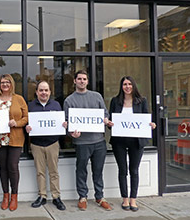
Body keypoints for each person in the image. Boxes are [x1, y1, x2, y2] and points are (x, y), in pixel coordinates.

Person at [63, 70, 113, 211]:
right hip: (81, 143)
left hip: (98, 142)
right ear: (74, 81)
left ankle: (99, 197)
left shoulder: (96, 96)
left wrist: (105, 120)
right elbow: (67, 122)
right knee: (81, 170)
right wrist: (71, 132)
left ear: (87, 81)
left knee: (98, 170)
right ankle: (83, 197)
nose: (82, 81)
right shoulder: (69, 100)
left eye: (84, 79)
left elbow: (105, 114)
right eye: (79, 79)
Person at [109, 76, 156, 212]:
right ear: (121, 86)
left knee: (134, 171)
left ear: (133, 86)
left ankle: (133, 199)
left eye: (129, 84)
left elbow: (146, 119)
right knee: (122, 170)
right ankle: (124, 199)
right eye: (124, 84)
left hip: (136, 141)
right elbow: (111, 122)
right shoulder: (115, 101)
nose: (127, 86)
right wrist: (110, 124)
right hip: (119, 142)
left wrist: (151, 125)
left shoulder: (142, 101)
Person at [0, 74, 28, 211]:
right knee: (3, 167)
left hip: (15, 138)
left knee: (12, 166)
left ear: (11, 84)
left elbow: (26, 118)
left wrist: (16, 123)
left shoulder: (19, 99)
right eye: (2, 82)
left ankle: (14, 196)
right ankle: (6, 195)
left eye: (7, 82)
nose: (5, 85)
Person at [26, 81, 67, 211]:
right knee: (40, 172)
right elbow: (27, 123)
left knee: (54, 172)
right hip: (37, 144)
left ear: (50, 92)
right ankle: (42, 196)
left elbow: (60, 122)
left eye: (46, 90)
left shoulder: (56, 105)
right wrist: (27, 128)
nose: (44, 93)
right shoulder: (31, 106)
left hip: (52, 143)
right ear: (37, 92)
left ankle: (56, 197)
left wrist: (64, 125)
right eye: (41, 90)